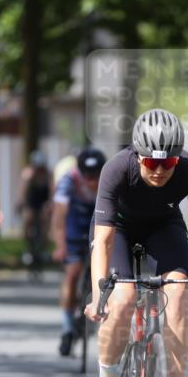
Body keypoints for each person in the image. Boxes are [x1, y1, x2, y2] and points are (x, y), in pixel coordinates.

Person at [84, 109, 188, 377]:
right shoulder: (116, 168)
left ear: (178, 159)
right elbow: (102, 242)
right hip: (118, 228)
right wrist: (98, 296)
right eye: (151, 163)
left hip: (164, 225)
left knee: (176, 296)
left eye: (168, 163)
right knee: (123, 299)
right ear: (138, 155)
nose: (160, 170)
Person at [52, 146, 106, 356]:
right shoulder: (68, 180)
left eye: (96, 175)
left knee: (104, 272)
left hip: (100, 224)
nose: (92, 180)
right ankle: (67, 328)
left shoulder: (110, 178)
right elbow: (58, 217)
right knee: (72, 272)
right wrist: (60, 246)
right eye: (87, 175)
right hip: (75, 224)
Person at [18, 150, 53, 267]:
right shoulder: (28, 173)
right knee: (29, 218)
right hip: (32, 201)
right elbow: (23, 192)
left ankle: (43, 246)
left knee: (45, 220)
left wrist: (50, 204)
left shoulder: (48, 174)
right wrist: (21, 203)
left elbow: (52, 192)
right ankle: (28, 246)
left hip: (43, 201)